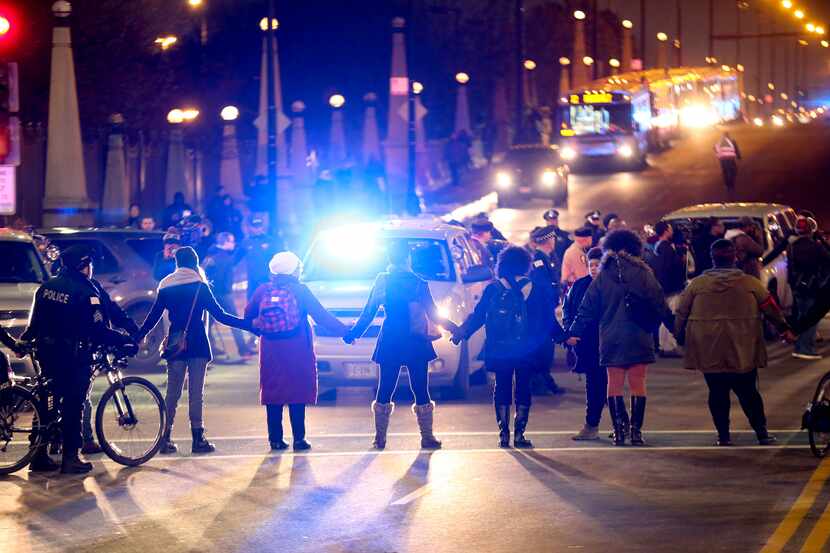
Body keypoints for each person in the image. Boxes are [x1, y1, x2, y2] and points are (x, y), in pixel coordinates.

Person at [21, 246, 136, 474]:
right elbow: (97, 329)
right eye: (89, 264)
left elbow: (34, 324)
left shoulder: (46, 288)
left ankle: (39, 454)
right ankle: (71, 458)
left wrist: (25, 341)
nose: (91, 268)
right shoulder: (86, 291)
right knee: (74, 405)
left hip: (47, 353)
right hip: (74, 357)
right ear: (83, 266)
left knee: (47, 402)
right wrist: (124, 339)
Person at [675, 239, 794, 446]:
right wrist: (785, 329)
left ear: (712, 259)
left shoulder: (697, 285)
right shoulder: (750, 283)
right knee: (749, 392)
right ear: (735, 258)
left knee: (717, 392)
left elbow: (681, 312)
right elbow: (771, 309)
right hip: (744, 349)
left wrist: (679, 335)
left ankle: (723, 436)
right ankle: (762, 433)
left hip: (708, 349)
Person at [137, 247, 254, 455]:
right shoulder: (200, 286)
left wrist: (138, 336)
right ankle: (198, 439)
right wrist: (248, 325)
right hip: (197, 343)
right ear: (195, 262)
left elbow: (153, 316)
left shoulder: (165, 285)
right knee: (195, 393)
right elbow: (221, 316)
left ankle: (164, 438)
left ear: (177, 263)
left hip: (175, 343)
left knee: (172, 393)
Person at [343, 242, 459, 450]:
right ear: (408, 259)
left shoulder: (383, 281)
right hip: (416, 342)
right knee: (420, 389)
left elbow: (369, 312)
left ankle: (380, 438)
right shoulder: (419, 283)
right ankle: (427, 437)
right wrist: (456, 329)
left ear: (389, 258)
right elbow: (433, 314)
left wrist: (353, 334)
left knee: (385, 387)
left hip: (391, 340)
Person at [453, 247, 567, 449]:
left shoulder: (493, 288)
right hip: (527, 347)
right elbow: (548, 319)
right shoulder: (536, 289)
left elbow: (478, 316)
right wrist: (563, 338)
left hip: (500, 346)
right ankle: (520, 435)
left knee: (502, 386)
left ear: (502, 265)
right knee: (523, 387)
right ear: (526, 265)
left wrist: (462, 333)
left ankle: (503, 434)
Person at [567, 229, 674, 447]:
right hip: (639, 334)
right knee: (638, 383)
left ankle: (618, 433)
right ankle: (635, 433)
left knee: (613, 384)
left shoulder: (603, 275)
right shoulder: (644, 273)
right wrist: (677, 329)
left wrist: (574, 332)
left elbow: (586, 309)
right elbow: (660, 303)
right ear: (635, 248)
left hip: (610, 336)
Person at [245, 252, 348, 451]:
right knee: (297, 391)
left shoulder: (262, 290)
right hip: (297, 347)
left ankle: (275, 439)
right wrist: (346, 332)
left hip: (271, 349)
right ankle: (299, 439)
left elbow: (248, 317)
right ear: (293, 270)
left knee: (273, 390)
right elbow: (322, 317)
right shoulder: (300, 290)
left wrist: (263, 330)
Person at [79, 267, 141, 455]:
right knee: (80, 395)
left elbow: (112, 310)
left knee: (61, 393)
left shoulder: (84, 286)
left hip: (59, 346)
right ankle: (85, 441)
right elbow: (99, 325)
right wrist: (125, 337)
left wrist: (130, 327)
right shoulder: (86, 288)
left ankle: (54, 442)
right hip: (80, 348)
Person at [565, 247, 606, 441]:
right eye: (591, 265)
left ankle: (621, 427)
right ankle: (591, 425)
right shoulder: (580, 285)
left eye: (598, 265)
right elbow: (568, 309)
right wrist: (570, 333)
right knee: (594, 384)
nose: (594, 268)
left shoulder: (611, 285)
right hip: (587, 342)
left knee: (609, 386)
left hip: (608, 341)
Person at [202, 232, 254, 360]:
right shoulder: (224, 257)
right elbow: (221, 278)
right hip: (223, 294)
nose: (233, 244)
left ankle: (208, 350)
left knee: (208, 323)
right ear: (225, 242)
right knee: (234, 321)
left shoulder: (210, 256)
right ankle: (243, 350)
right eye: (231, 241)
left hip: (210, 294)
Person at [528, 225, 565, 395]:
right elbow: (543, 285)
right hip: (541, 310)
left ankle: (545, 381)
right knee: (542, 348)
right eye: (553, 239)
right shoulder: (538, 260)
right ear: (549, 241)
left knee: (545, 348)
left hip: (546, 307)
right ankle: (538, 383)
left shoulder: (547, 258)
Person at [788, 217, 830, 360]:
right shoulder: (816, 247)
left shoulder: (792, 246)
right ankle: (806, 348)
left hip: (798, 286)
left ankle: (800, 347)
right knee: (811, 318)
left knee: (802, 315)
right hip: (812, 286)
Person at [651, 221, 686, 357]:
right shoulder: (665, 247)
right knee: (669, 315)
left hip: (664, 287)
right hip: (669, 288)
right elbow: (669, 268)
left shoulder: (658, 246)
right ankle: (667, 346)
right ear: (666, 231)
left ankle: (666, 345)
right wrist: (680, 259)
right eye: (670, 228)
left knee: (667, 315)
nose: (672, 231)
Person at [714, 131, 741, 197]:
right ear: (728, 136)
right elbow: (736, 149)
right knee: (733, 171)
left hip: (722, 159)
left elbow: (715, 148)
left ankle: (727, 185)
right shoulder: (732, 141)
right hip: (730, 159)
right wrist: (738, 157)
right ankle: (731, 184)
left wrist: (718, 155)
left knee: (725, 171)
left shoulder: (719, 142)